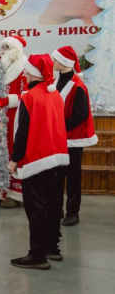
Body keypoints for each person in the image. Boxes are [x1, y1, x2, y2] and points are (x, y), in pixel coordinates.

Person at [9, 54, 68, 269]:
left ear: (33, 73)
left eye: (27, 69)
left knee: (35, 208)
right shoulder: (55, 95)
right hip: (56, 157)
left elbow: (22, 132)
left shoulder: (29, 97)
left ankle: (37, 254)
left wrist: (15, 159)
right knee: (53, 204)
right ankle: (52, 247)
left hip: (36, 158)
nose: (24, 72)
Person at [52, 46, 98, 227]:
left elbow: (81, 113)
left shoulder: (78, 86)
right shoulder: (56, 82)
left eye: (56, 59)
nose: (53, 62)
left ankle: (73, 212)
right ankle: (56, 210)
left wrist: (60, 128)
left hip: (73, 138)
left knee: (72, 177)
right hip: (58, 137)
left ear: (65, 62)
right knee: (56, 176)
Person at [0, 35, 29, 208]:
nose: (2, 51)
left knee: (10, 150)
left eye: (6, 47)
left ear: (15, 50)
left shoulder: (24, 69)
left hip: (15, 117)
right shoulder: (0, 69)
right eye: (1, 47)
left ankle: (13, 194)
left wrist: (8, 100)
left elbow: (28, 95)